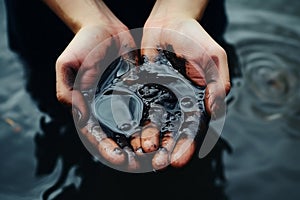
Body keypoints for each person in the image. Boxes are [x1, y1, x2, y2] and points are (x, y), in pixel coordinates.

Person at [4, 0, 239, 199]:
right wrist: (87, 17)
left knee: (197, 137)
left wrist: (178, 11)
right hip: (55, 24)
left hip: (185, 26)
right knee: (61, 108)